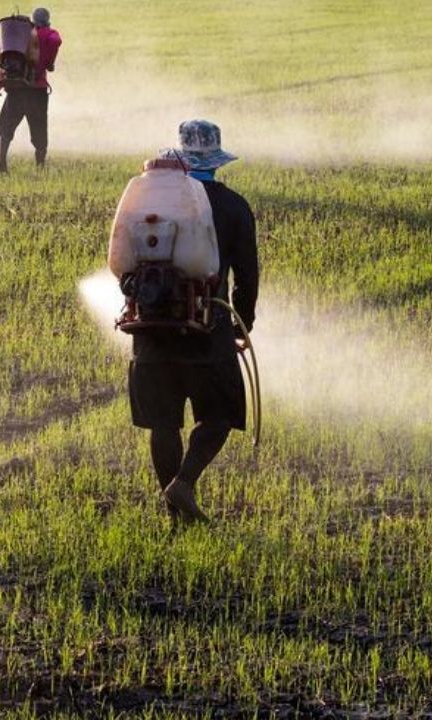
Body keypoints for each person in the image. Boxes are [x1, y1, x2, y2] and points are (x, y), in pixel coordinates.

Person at [128, 120, 259, 525]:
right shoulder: (233, 206)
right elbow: (248, 275)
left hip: (151, 329)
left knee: (163, 424)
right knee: (218, 417)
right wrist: (241, 324)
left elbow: (124, 261)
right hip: (208, 329)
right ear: (216, 162)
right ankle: (183, 483)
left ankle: (175, 515)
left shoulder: (148, 201)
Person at [0, 7, 62, 173]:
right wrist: (50, 62)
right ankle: (40, 167)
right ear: (47, 21)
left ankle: (2, 163)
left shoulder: (18, 37)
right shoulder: (49, 34)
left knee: (7, 129)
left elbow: (6, 67)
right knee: (39, 130)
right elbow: (56, 40)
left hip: (16, 89)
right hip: (37, 91)